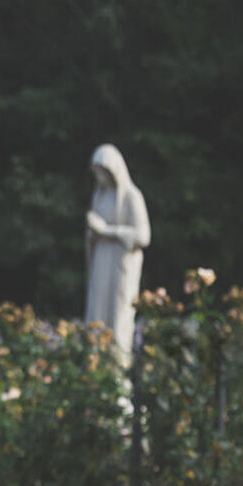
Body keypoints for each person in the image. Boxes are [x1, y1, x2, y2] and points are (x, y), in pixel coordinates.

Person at [84, 143, 151, 368]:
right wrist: (93, 234)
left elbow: (143, 236)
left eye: (102, 172)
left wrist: (106, 231)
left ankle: (116, 374)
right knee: (97, 316)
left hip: (121, 265)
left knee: (118, 317)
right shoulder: (99, 196)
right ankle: (94, 372)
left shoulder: (131, 196)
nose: (99, 177)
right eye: (96, 173)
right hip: (101, 261)